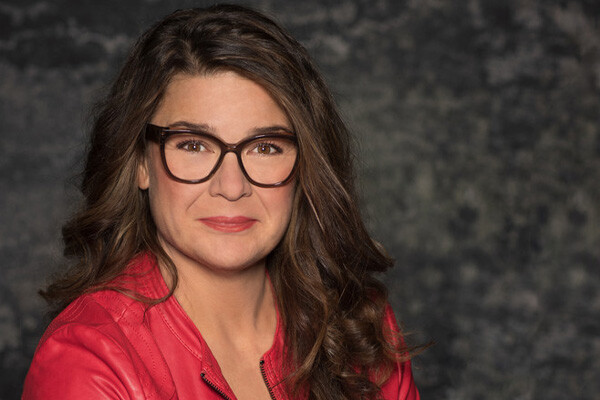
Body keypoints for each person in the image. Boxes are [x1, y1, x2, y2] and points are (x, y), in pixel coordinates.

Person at [22, 4, 421, 399]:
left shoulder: (360, 327)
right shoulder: (87, 361)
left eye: (265, 147)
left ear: (306, 166)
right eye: (193, 145)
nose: (231, 187)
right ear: (141, 162)